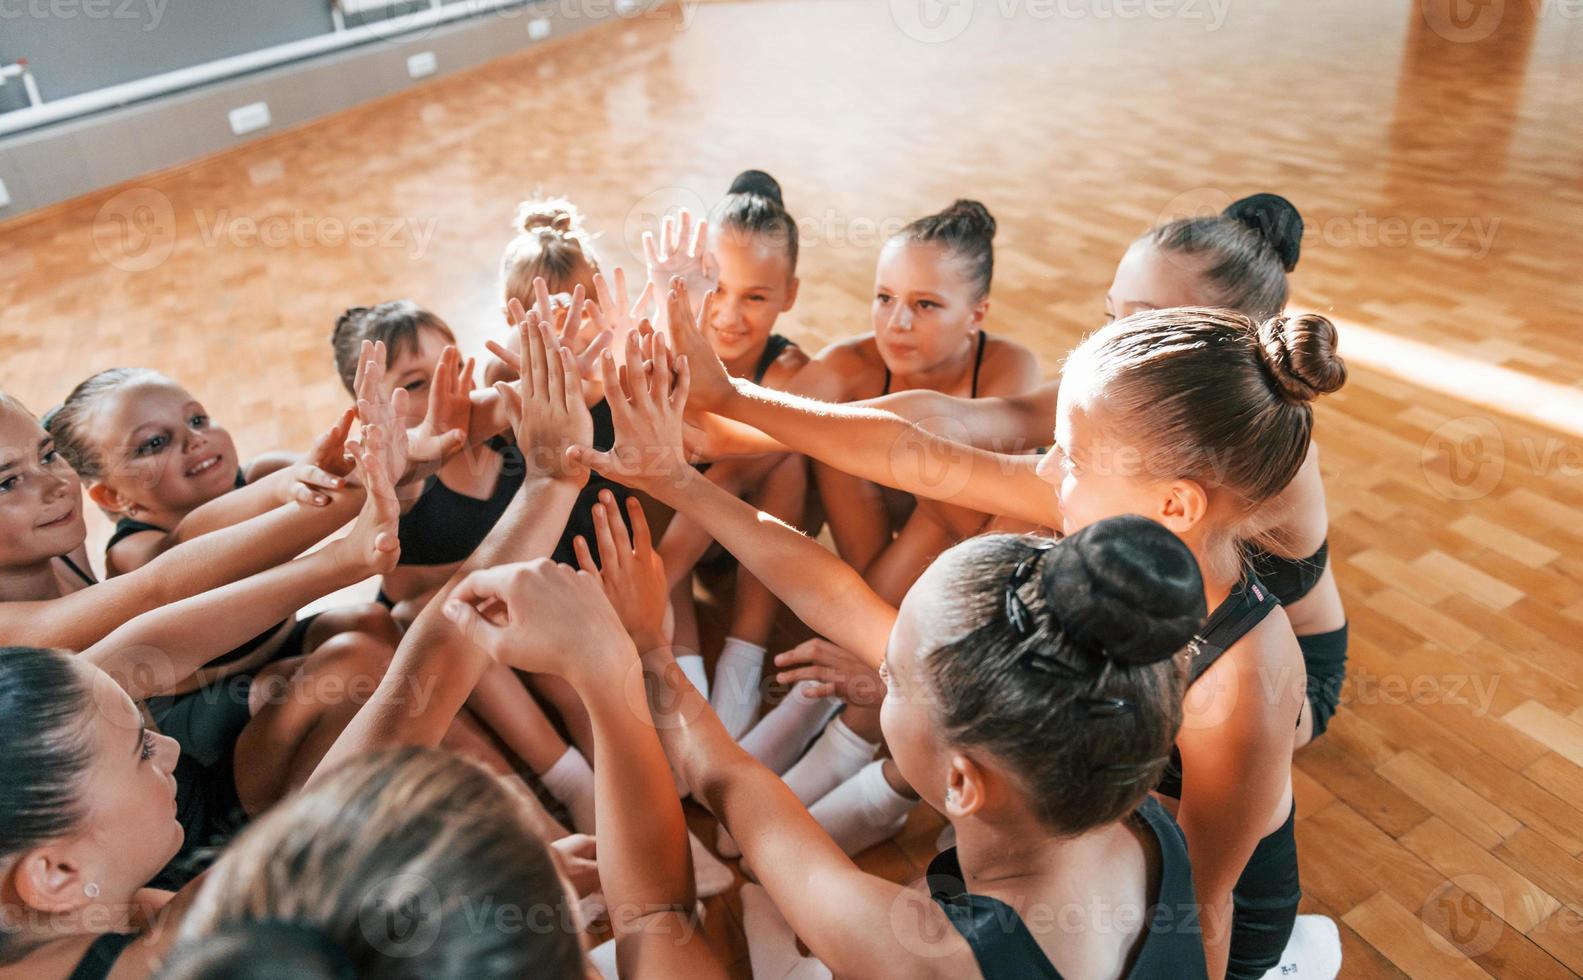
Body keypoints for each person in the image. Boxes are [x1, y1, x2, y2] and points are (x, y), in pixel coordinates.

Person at [659, 282, 1345, 977]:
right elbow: (918, 452)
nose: (1045, 468)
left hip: (1181, 906)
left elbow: (1201, 902)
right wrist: (734, 401)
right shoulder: (1115, 511)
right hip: (1094, 840)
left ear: (1173, 503)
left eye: (1068, 455)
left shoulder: (1245, 678)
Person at [555, 337, 1209, 978]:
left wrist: (648, 650)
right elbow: (837, 597)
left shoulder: (928, 960)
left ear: (960, 782)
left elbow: (732, 781)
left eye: (891, 678)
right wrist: (676, 483)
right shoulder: (1117, 784)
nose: (875, 668)